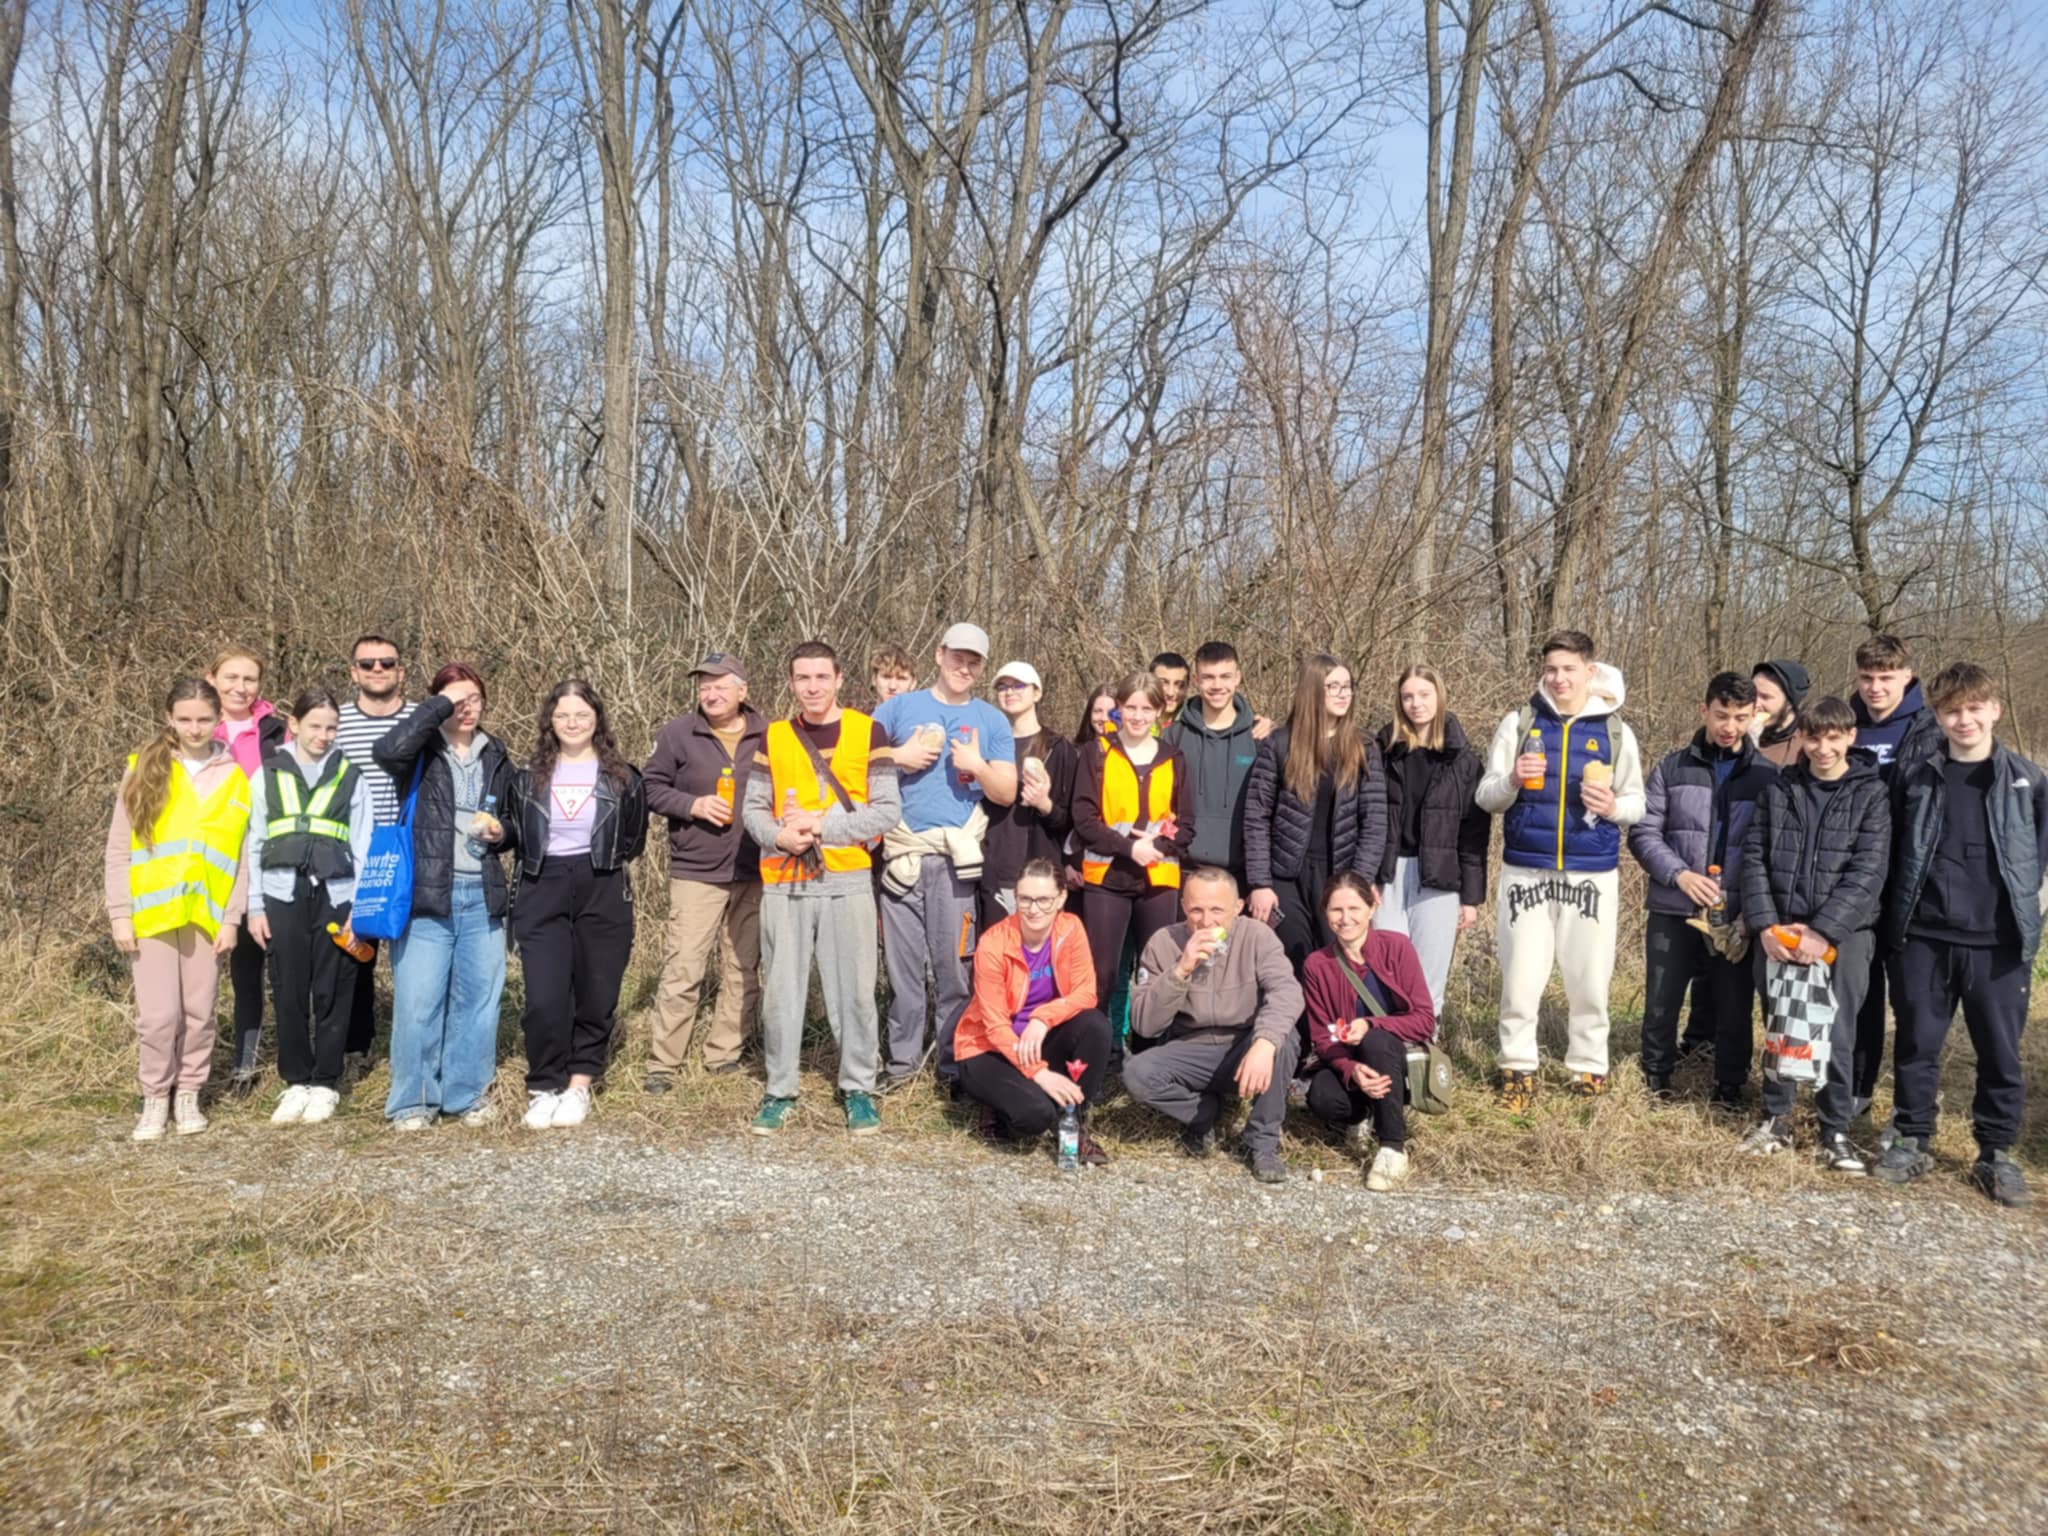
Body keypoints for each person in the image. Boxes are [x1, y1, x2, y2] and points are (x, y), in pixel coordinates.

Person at [1872, 664, 2045, 1207]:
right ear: (1938, 717)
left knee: (2000, 1052)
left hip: (1998, 944)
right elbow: (1894, 848)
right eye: (1952, 711)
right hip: (1923, 935)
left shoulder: (2028, 781)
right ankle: (1913, 1137)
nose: (1963, 719)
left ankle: (1995, 1152)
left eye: (1974, 708)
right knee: (1917, 1044)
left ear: (1994, 709)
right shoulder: (1915, 776)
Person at [1475, 630, 1646, 1105]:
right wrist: (1512, 779)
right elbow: (1486, 796)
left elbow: (1638, 803)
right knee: (1520, 978)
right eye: (1551, 669)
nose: (1559, 678)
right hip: (1525, 871)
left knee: (1589, 978)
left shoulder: (1615, 731)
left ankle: (1589, 1069)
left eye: (1569, 669)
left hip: (1591, 872)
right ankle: (1517, 1068)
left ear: (1590, 672)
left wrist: (1612, 805)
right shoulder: (1520, 722)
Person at [741, 641, 902, 1134]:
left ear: (839, 680)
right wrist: (781, 836)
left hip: (847, 880)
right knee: (782, 994)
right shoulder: (775, 736)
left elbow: (886, 810)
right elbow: (752, 810)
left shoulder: (867, 730)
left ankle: (858, 1088)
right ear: (791, 683)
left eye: (820, 677)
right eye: (802, 678)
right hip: (785, 881)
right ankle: (779, 1089)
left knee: (854, 991)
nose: (812, 687)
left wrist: (820, 825)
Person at [1735, 695, 1888, 1171]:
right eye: (1814, 737)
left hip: (1844, 936)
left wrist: (1823, 932)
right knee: (1782, 1025)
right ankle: (1776, 1119)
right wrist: (1764, 925)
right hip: (1780, 931)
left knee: (1837, 1030)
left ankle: (1834, 1129)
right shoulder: (1780, 790)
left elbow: (1868, 871)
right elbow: (1754, 857)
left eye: (1834, 737)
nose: (1823, 748)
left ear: (1850, 738)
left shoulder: (1872, 794)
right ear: (1800, 737)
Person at [104, 678, 252, 1140]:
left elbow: (242, 856)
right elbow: (118, 850)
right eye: (185, 719)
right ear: (169, 718)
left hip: (205, 918)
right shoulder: (144, 769)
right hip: (150, 916)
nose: (194, 727)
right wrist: (120, 913)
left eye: (204, 719)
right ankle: (154, 1098)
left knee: (199, 1012)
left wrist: (232, 919)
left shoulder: (234, 777)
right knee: (158, 1015)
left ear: (217, 721)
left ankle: (188, 1093)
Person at [873, 623, 1017, 1091]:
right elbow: (857, 767)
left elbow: (1008, 791)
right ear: (939, 655)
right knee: (903, 968)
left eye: (974, 660)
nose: (964, 666)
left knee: (955, 969)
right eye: (957, 656)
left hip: (957, 860)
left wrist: (977, 767)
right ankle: (902, 1065)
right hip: (902, 855)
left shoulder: (992, 720)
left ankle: (954, 1066)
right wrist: (901, 755)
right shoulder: (897, 707)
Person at [371, 664, 516, 1130]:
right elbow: (386, 749)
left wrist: (502, 832)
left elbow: (515, 824)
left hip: (482, 893)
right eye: (456, 699)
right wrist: (438, 707)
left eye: (475, 697)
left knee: (479, 1002)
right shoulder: (418, 751)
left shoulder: (496, 754)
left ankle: (467, 1095)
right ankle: (412, 1102)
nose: (467, 707)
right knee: (418, 1002)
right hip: (427, 895)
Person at [501, 680, 647, 1131]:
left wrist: (600, 867)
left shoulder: (624, 776)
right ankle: (543, 1085)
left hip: (601, 884)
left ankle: (580, 1082)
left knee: (597, 991)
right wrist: (496, 834)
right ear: (550, 720)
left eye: (581, 715)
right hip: (541, 884)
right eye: (563, 715)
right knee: (544, 996)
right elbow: (514, 830)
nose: (572, 723)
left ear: (597, 719)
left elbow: (634, 839)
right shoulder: (525, 776)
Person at [1627, 672, 1776, 1104]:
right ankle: (1655, 1079)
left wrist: (1748, 907)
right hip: (1675, 907)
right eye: (1721, 715)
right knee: (1662, 999)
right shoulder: (1672, 768)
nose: (1730, 726)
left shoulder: (1768, 777)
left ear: (1754, 717)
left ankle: (1729, 1087)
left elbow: (1769, 848)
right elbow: (1644, 834)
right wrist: (1680, 874)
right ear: (1703, 711)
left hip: (1733, 915)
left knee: (1733, 1006)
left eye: (1741, 717)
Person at [243, 687, 376, 1126]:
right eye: (315, 726)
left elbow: (363, 844)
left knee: (334, 987)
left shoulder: (352, 776)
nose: (323, 735)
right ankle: (296, 1080)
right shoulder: (266, 775)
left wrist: (360, 907)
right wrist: (255, 906)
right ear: (294, 725)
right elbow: (254, 843)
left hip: (337, 896)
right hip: (282, 894)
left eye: (332, 727)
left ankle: (325, 1082)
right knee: (288, 987)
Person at [1125, 867, 1304, 1183]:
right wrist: (1180, 970)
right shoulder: (1163, 943)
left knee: (1285, 1038)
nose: (1206, 921)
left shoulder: (1258, 936)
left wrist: (1264, 1043)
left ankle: (1261, 1143)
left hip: (1244, 1044)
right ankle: (1204, 1115)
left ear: (1238, 907)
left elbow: (1287, 992)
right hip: (1191, 1048)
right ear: (1183, 907)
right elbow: (1144, 1024)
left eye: (1217, 910)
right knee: (1136, 1073)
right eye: (1196, 909)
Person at [641, 652, 768, 1089]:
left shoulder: (770, 734)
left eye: (719, 685)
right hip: (696, 871)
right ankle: (663, 1063)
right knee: (684, 968)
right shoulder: (679, 733)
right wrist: (692, 805)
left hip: (754, 870)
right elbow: (651, 787)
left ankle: (724, 1054)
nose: (710, 694)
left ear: (742, 690)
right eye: (704, 686)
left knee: (742, 966)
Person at [952, 859, 1110, 1161]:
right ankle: (997, 1105)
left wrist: (1042, 1018)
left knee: (1095, 1025)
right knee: (1035, 1116)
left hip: (1038, 1040)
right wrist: (1039, 1074)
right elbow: (996, 1026)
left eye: (1043, 900)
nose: (1033, 909)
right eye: (1024, 899)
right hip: (988, 1048)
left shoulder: (1071, 929)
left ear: (1061, 898)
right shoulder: (993, 943)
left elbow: (1086, 993)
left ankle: (1073, 1122)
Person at [1846, 633, 1941, 1118]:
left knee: (1910, 1000)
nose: (1875, 688)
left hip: (1909, 884)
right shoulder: (1844, 725)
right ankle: (1857, 1089)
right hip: (1854, 881)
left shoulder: (1931, 728)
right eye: (1867, 678)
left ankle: (1911, 1110)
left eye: (1886, 678)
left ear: (1907, 676)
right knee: (1860, 992)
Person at [1243, 653, 1387, 972]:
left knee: (1339, 966)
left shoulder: (1364, 748)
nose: (1342, 694)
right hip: (1286, 878)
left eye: (1347, 686)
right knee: (1291, 964)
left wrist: (1359, 882)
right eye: (1332, 686)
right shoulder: (1280, 745)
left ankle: (1337, 1025)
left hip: (1341, 876)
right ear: (1312, 691)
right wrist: (1260, 883)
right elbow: (1256, 818)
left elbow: (1375, 822)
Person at [1072, 673, 1194, 1037]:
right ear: (1119, 709)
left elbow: (1187, 824)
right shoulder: (1097, 753)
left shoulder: (1174, 758)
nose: (1138, 716)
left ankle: (1149, 1050)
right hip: (1106, 878)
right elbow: (1083, 818)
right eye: (1130, 707)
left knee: (1157, 970)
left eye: (1147, 708)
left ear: (1159, 710)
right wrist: (1130, 847)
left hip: (1158, 880)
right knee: (1102, 971)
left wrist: (1158, 847)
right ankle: (1091, 1052)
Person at [1300, 873, 1435, 1190]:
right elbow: (1322, 1037)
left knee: (1376, 1040)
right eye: (1336, 910)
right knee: (1320, 1097)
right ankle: (1361, 1116)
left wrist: (1373, 1024)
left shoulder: (1397, 948)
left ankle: (1392, 1146)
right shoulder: (1317, 965)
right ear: (1325, 913)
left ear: (1372, 907)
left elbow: (1424, 1019)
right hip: (1349, 1060)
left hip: (1395, 1059)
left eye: (1354, 909)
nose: (1345, 919)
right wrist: (1351, 1070)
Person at [1373, 664, 1487, 1016]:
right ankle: (1388, 1054)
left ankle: (1425, 1053)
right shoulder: (1383, 750)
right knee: (1386, 970)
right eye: (1407, 696)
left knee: (1427, 977)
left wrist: (1470, 898)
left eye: (1424, 695)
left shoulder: (1464, 761)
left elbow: (1474, 833)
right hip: (1388, 875)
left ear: (1439, 697)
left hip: (1438, 876)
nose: (1416, 704)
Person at [333, 634, 420, 1084]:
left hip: (410, 852)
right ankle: (355, 1049)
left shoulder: (420, 719)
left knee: (413, 952)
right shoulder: (338, 722)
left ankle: (412, 1049)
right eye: (368, 664)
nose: (378, 670)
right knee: (357, 955)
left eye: (388, 662)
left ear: (401, 670)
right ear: (354, 672)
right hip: (356, 855)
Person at [208, 645, 286, 1096]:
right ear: (212, 678)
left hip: (267, 859)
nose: (240, 687)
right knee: (238, 972)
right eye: (231, 677)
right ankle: (231, 1061)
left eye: (250, 679)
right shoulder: (198, 726)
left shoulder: (277, 732)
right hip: (213, 865)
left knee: (270, 964)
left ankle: (256, 1061)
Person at [980, 660, 1078, 927]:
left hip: (1040, 874)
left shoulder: (1058, 749)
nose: (1009, 692)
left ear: (1037, 692)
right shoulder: (986, 744)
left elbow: (1070, 820)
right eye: (1002, 686)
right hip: (992, 869)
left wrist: (1044, 804)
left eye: (1018, 685)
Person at [1161, 641, 1265, 884]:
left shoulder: (1259, 738)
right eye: (1208, 677)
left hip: (1241, 875)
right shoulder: (1173, 736)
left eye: (1225, 676)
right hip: (1183, 870)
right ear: (1196, 680)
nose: (1217, 685)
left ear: (1237, 678)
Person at [1749, 659, 1809, 770]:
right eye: (1752, 694)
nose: (1755, 704)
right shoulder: (1733, 734)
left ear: (1789, 704)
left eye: (1765, 697)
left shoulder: (1807, 746)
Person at [1149, 652, 1191, 717]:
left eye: (1179, 685)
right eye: (1163, 683)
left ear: (1187, 687)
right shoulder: (1132, 719)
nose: (1170, 693)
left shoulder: (1196, 723)